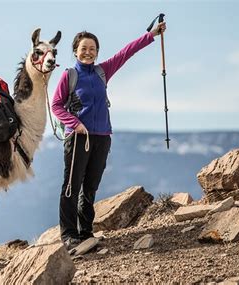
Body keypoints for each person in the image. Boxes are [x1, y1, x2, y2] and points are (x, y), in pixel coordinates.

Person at [51, 22, 167, 250]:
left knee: (91, 187)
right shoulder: (69, 75)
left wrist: (151, 35)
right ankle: (68, 235)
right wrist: (75, 124)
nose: (88, 52)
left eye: (92, 48)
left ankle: (85, 232)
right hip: (78, 138)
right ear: (75, 50)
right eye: (83, 48)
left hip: (103, 137)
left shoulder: (102, 71)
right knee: (71, 186)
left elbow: (126, 52)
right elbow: (56, 105)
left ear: (97, 52)